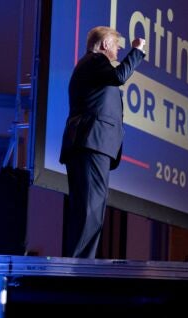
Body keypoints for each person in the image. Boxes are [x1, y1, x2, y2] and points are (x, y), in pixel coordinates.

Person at [59, 26, 146, 258]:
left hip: (88, 143)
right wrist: (137, 51)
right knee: (90, 209)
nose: (118, 50)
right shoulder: (95, 61)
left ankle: (79, 264)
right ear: (106, 44)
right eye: (116, 45)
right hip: (91, 142)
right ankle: (79, 268)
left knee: (88, 209)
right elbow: (119, 76)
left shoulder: (89, 66)